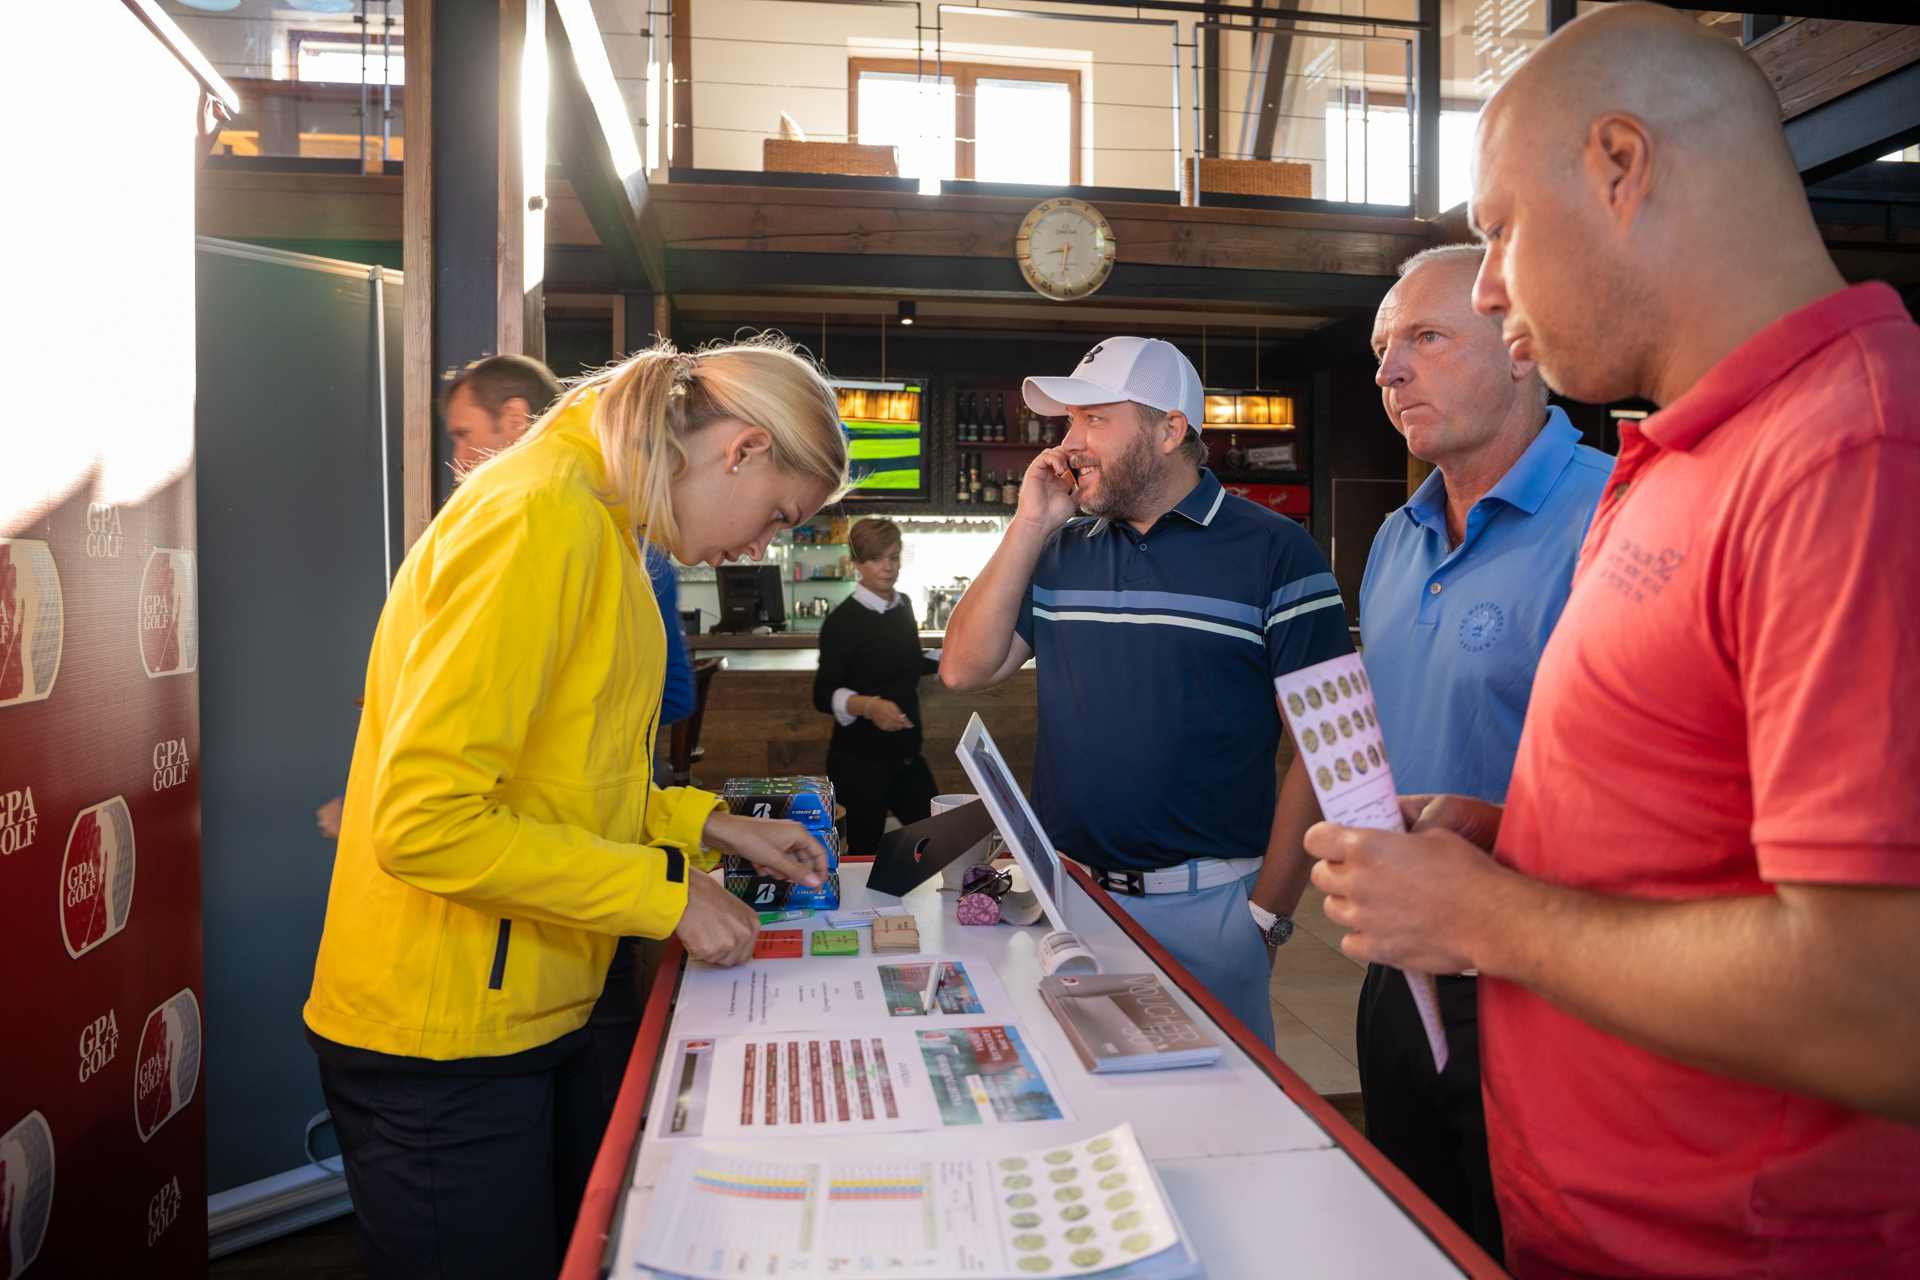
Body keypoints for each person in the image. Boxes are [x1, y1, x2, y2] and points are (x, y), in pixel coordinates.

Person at [1308, 6, 1920, 1276]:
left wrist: (1496, 914)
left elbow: (1886, 1002)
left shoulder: (1853, 453)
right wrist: (1515, 835)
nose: (1489, 287)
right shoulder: (1680, 456)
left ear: (1621, 166)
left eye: (1499, 229)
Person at [303, 337, 849, 1280]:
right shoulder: (537, 516)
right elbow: (425, 824)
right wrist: (663, 894)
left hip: (531, 1008)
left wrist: (710, 826)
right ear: (744, 449)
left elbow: (569, 780)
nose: (762, 547)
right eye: (778, 517)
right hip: (444, 1034)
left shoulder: (604, 523)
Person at [942, 337, 1349, 1043]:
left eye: (1095, 419)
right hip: (1068, 901)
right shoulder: (1061, 548)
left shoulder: (1279, 551)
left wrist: (1266, 917)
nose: (1069, 442)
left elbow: (1331, 746)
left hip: (1211, 910)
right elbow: (964, 669)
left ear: (1170, 430)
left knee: (1217, 1107)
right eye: (1070, 421)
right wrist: (1031, 523)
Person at [1357, 241, 1612, 1258]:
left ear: (1520, 345)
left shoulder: (1615, 513)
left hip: (1547, 978)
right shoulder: (1394, 538)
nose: (1389, 372)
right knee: (1413, 1239)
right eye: (1382, 350)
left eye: (1425, 338)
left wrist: (1499, 830)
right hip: (1397, 969)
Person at [812, 517, 942, 858]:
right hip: (859, 764)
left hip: (907, 757)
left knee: (939, 841)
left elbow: (905, 662)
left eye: (894, 557)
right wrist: (870, 707)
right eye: (876, 558)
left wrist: (951, 658)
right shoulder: (843, 621)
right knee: (863, 854)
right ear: (856, 562)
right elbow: (823, 694)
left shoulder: (904, 605)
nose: (887, 567)